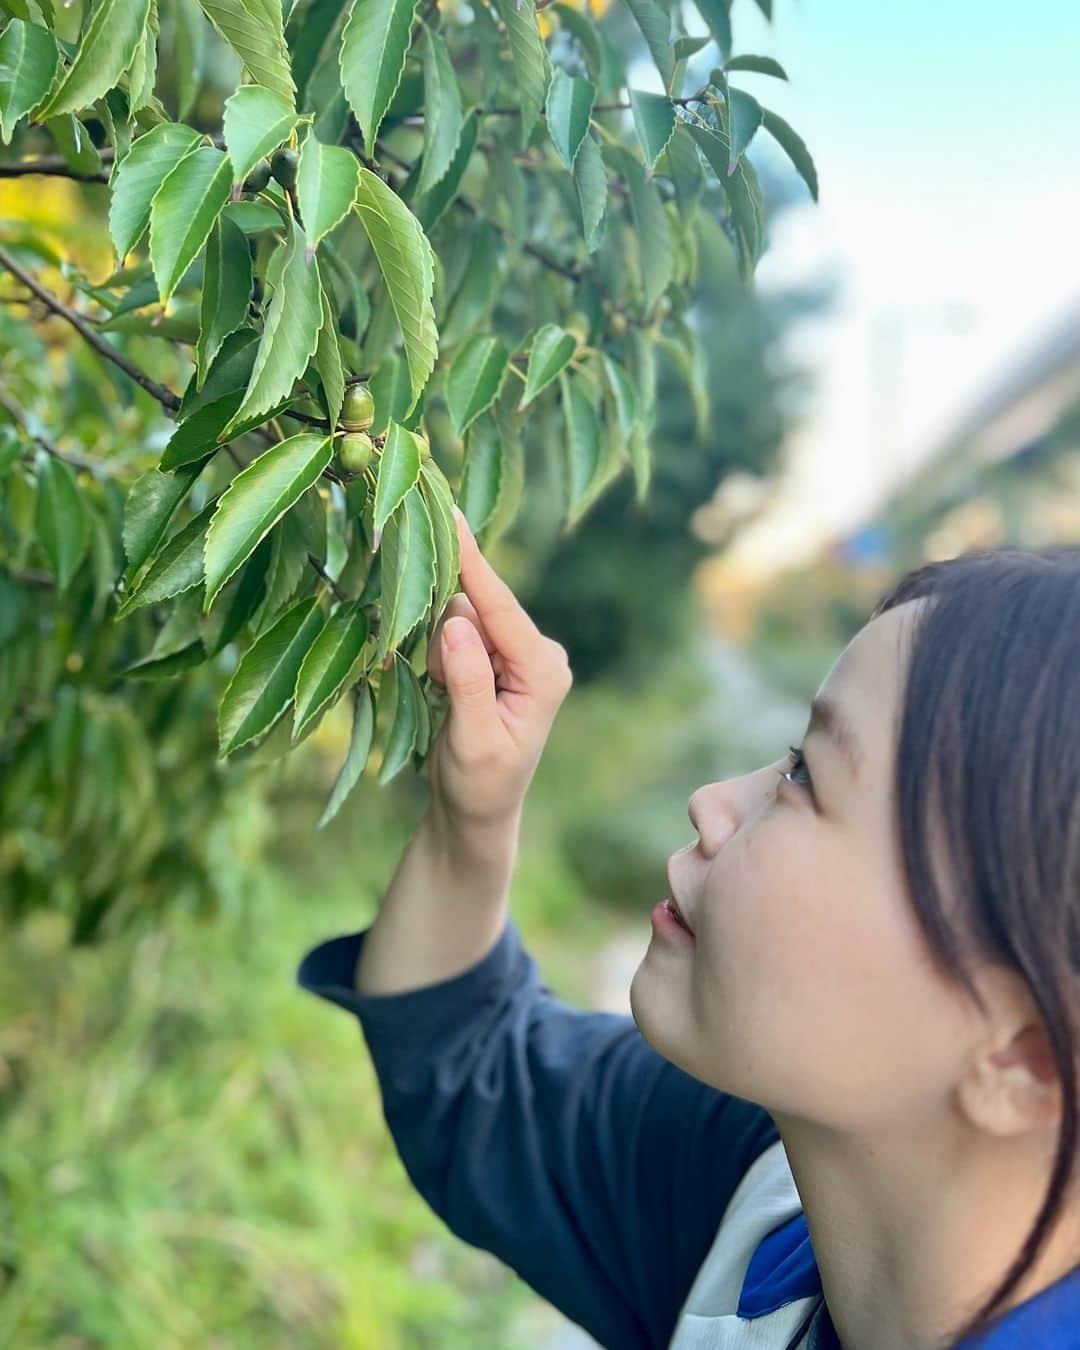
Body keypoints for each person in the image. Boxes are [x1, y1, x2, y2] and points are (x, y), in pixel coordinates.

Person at [298, 511, 1079, 1350]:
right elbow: (472, 1069)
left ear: (1025, 1054)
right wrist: (475, 812)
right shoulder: (769, 1200)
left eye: (808, 774)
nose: (713, 802)